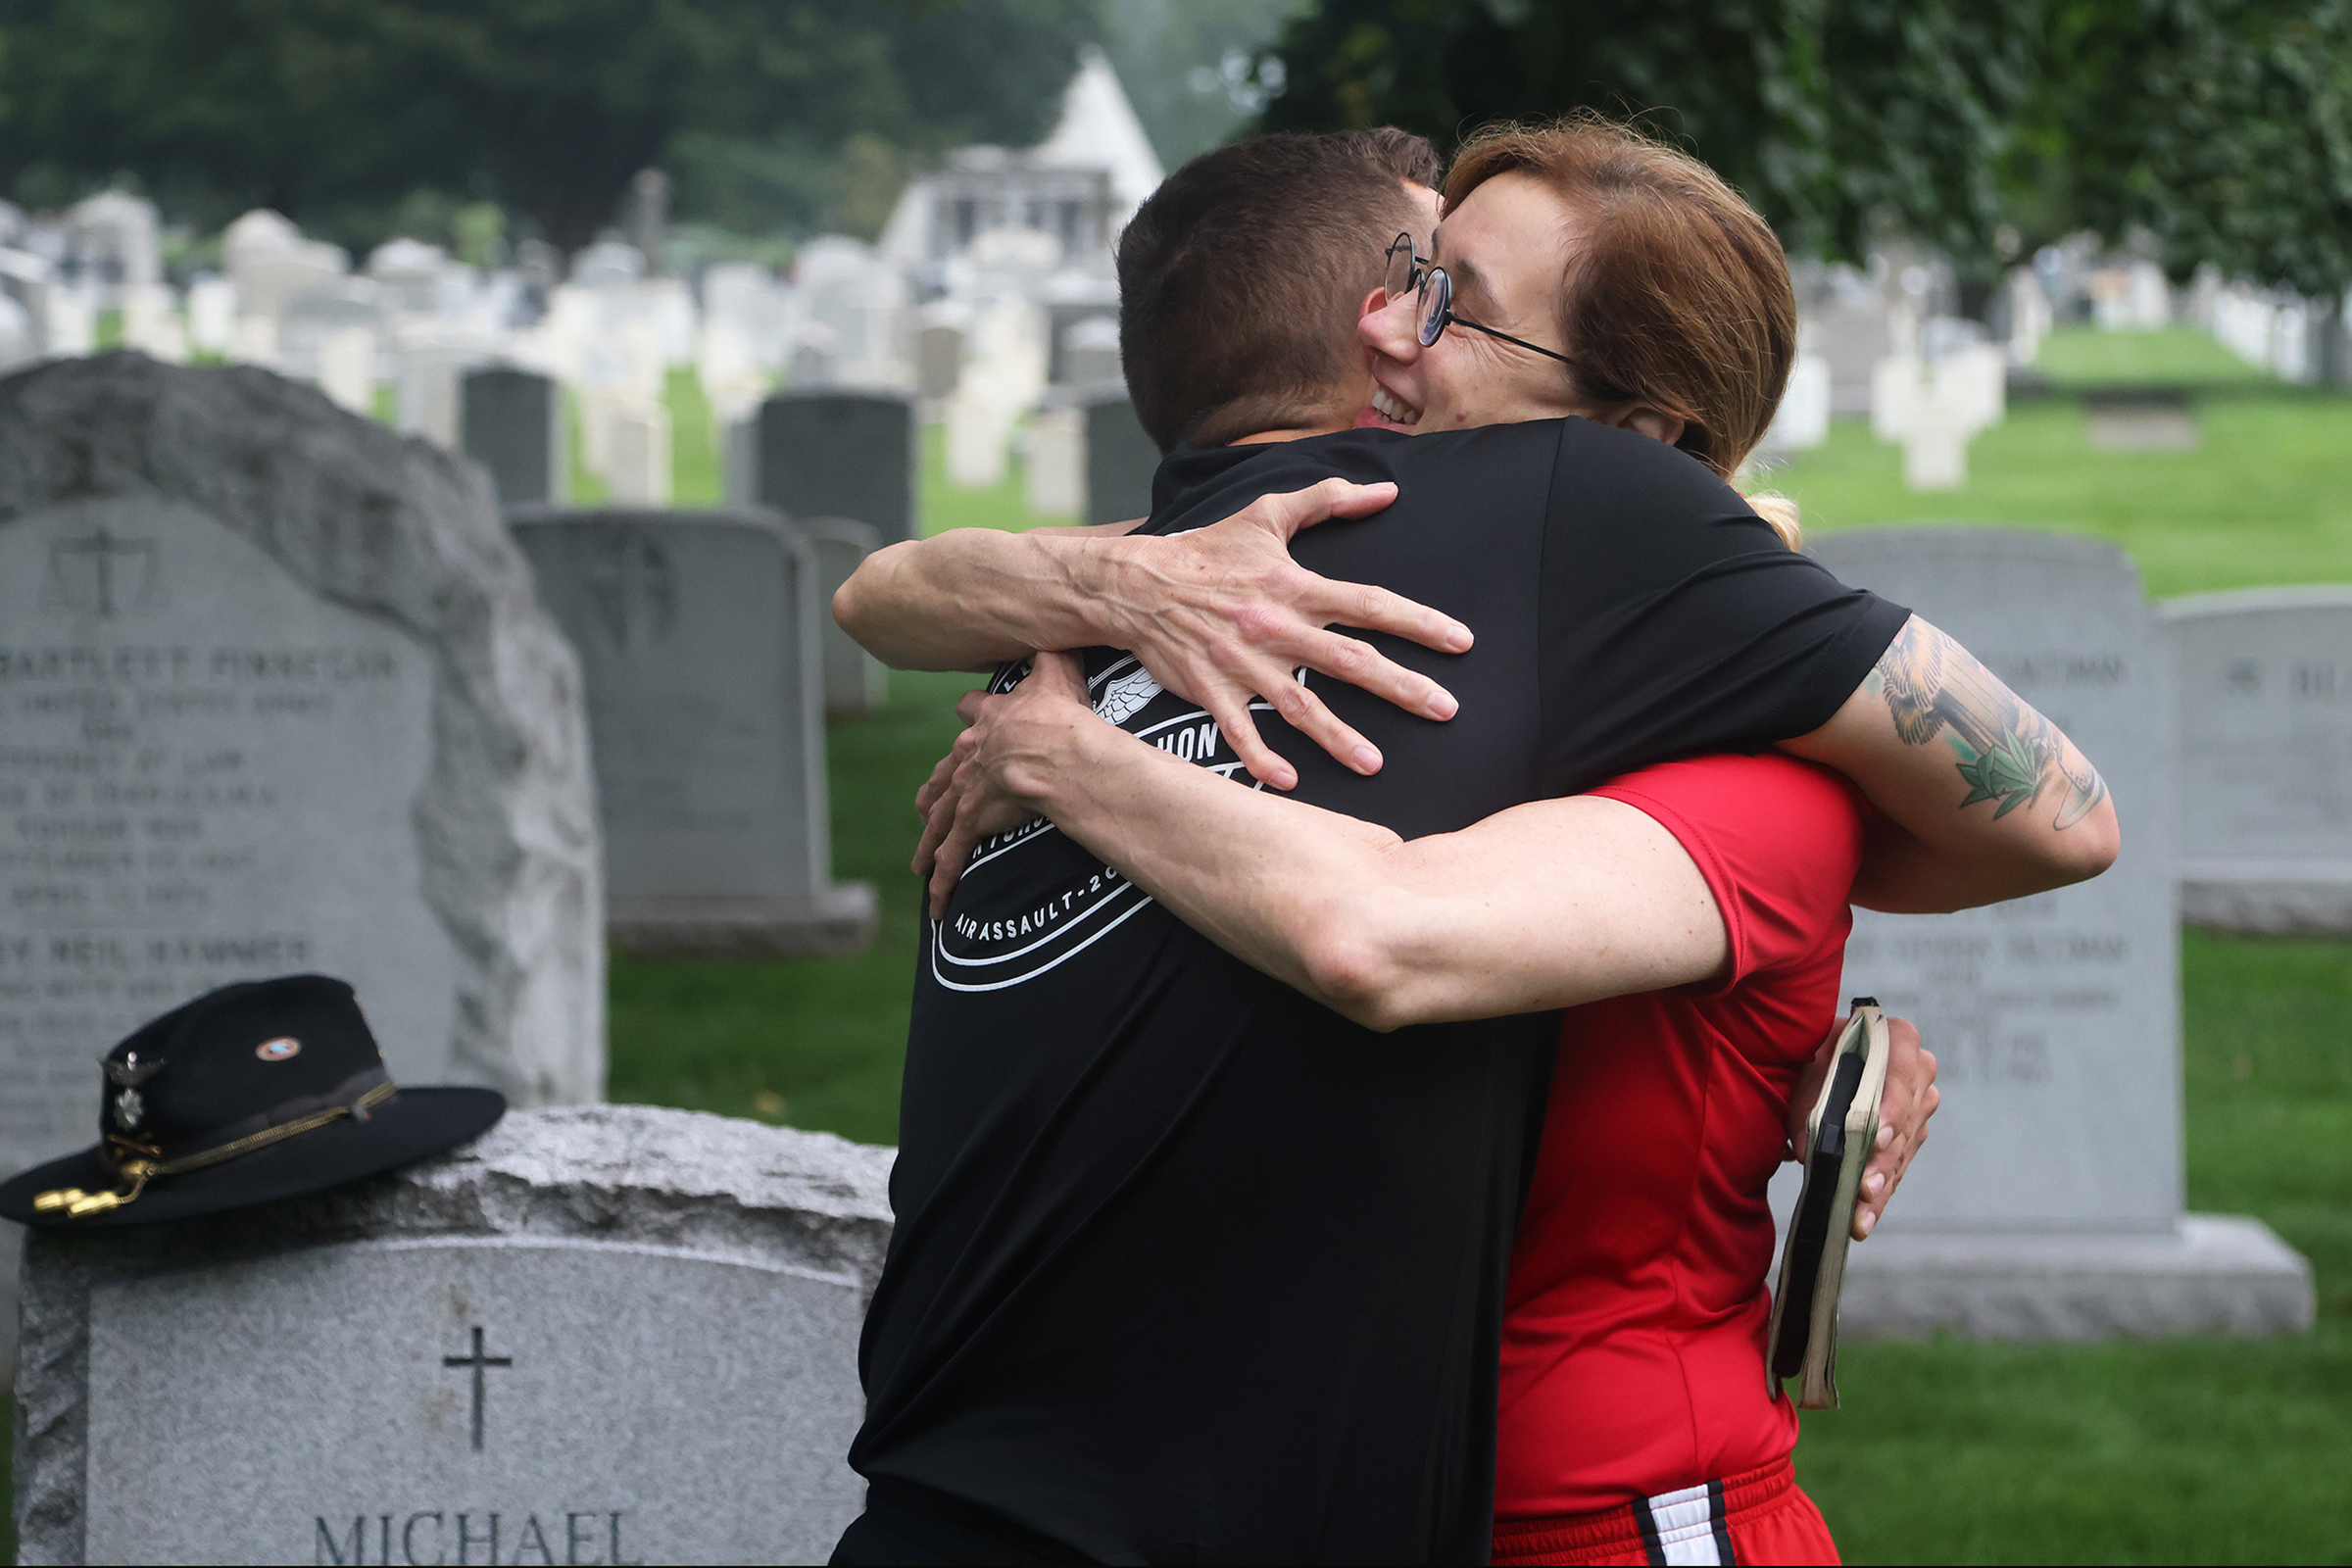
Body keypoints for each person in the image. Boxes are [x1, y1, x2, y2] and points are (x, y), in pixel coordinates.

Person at [830, 124, 2113, 1565]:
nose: (1377, 321)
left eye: (1444, 298)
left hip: (1610, 1509)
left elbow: (2059, 816)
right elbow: (889, 591)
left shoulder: (1706, 715)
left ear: (1634, 444)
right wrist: (1134, 580)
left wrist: (1066, 759)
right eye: (1404, 276)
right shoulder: (1276, 585)